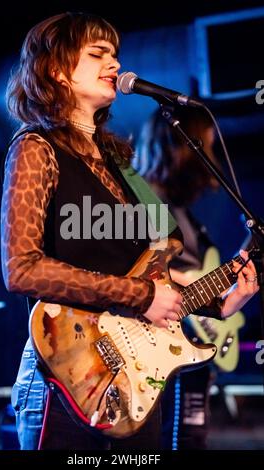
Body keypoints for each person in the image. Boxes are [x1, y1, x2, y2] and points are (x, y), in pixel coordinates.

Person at [0, 12, 259, 451]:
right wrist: (140, 297)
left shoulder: (120, 162)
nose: (115, 63)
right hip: (67, 375)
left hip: (140, 381)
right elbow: (21, 270)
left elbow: (154, 274)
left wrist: (219, 302)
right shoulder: (36, 148)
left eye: (116, 55)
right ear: (57, 70)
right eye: (98, 53)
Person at [133, 105, 254, 449]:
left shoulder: (181, 212)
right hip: (154, 351)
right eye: (203, 146)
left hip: (191, 345)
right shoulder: (140, 201)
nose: (208, 159)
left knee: (190, 438)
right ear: (177, 145)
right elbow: (144, 275)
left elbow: (197, 275)